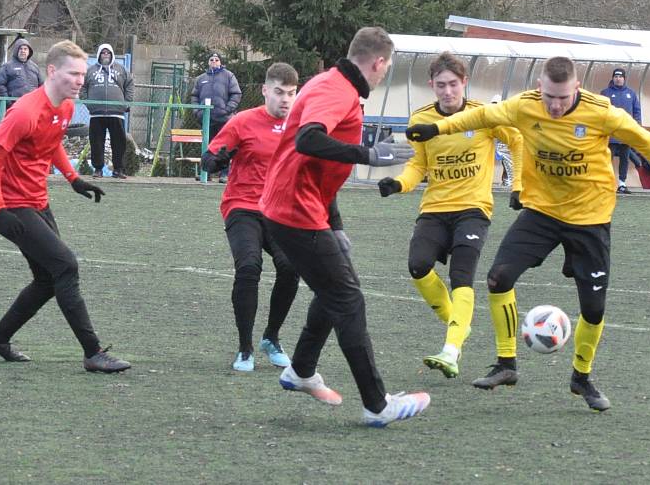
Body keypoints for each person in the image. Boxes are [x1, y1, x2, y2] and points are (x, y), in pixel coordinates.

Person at [406, 56, 650, 411]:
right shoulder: (526, 106)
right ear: (540, 88)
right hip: (541, 212)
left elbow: (643, 140)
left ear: (577, 89)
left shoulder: (601, 112)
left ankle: (581, 378)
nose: (555, 106)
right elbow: (481, 116)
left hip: (590, 218)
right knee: (498, 278)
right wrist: (437, 129)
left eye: (563, 98)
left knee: (594, 308)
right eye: (549, 97)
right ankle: (506, 365)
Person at [259, 26, 430, 427]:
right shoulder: (336, 90)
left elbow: (318, 166)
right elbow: (308, 142)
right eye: (386, 68)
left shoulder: (332, 84)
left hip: (301, 209)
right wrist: (368, 153)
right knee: (348, 299)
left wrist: (333, 223)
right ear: (379, 62)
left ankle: (301, 370)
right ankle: (376, 404)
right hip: (294, 213)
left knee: (337, 287)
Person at [0, 40, 131, 374]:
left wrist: (74, 179)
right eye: (73, 73)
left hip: (37, 203)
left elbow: (51, 145)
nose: (80, 80)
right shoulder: (25, 111)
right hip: (12, 207)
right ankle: (93, 352)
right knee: (66, 266)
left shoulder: (64, 107)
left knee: (48, 279)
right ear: (52, 71)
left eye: (83, 74)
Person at [376, 53, 523, 379]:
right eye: (440, 85)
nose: (447, 91)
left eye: (452, 84)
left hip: (473, 209)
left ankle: (451, 349)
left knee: (462, 275)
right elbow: (418, 165)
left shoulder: (482, 115)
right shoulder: (421, 120)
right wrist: (399, 183)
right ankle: (459, 324)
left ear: (464, 83)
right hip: (435, 209)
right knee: (418, 266)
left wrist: (519, 185)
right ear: (432, 85)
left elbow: (517, 140)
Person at [200, 63, 301, 372]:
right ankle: (245, 349)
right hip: (242, 206)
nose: (286, 100)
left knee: (291, 266)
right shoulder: (242, 122)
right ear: (265, 91)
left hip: (278, 210)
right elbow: (208, 159)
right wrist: (217, 160)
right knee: (249, 266)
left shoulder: (301, 125)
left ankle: (271, 338)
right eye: (280, 93)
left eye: (292, 94)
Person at [81, 44, 135, 179]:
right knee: (97, 142)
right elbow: (82, 87)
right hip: (97, 113)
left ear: (111, 54)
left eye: (108, 53)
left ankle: (118, 169)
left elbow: (129, 84)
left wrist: (126, 104)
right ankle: (98, 169)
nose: (105, 55)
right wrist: (89, 104)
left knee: (119, 142)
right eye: (103, 53)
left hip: (116, 113)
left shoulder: (121, 69)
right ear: (99, 54)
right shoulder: (90, 71)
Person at [190, 52, 242, 183]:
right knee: (208, 147)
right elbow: (194, 96)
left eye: (216, 59)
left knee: (226, 147)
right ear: (208, 62)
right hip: (206, 119)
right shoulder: (201, 78)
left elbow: (236, 94)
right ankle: (206, 174)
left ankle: (224, 174)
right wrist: (198, 111)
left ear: (220, 62)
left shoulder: (229, 76)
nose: (214, 61)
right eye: (211, 59)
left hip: (224, 119)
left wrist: (227, 109)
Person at [600, 68, 642, 194]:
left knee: (625, 159)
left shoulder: (631, 94)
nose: (618, 78)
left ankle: (622, 184)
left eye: (620, 76)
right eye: (616, 76)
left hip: (626, 134)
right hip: (610, 134)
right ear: (613, 78)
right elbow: (600, 111)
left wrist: (636, 127)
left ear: (624, 78)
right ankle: (605, 184)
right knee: (607, 159)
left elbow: (637, 112)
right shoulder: (605, 93)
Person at [0, 37, 43, 104]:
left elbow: (42, 86)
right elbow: (0, 85)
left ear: (29, 51)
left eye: (25, 49)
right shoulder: (7, 67)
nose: (23, 51)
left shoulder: (35, 67)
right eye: (20, 49)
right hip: (15, 105)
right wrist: (8, 102)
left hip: (32, 104)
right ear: (16, 51)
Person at [491, 94, 514, 187]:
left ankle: (509, 182)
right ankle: (507, 181)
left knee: (508, 163)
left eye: (496, 104)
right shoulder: (489, 117)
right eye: (493, 104)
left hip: (506, 146)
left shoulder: (508, 119)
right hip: (497, 145)